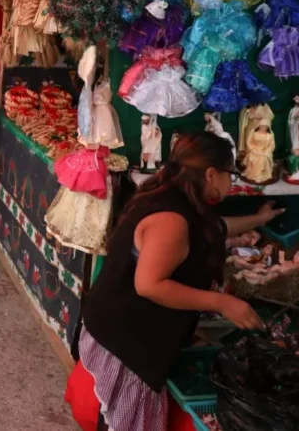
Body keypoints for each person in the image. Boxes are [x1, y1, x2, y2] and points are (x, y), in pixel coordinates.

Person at [66, 132, 282, 431]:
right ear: (211, 173)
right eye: (230, 175)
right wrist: (221, 302)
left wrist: (258, 220)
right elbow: (150, 285)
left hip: (116, 323)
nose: (231, 184)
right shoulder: (171, 217)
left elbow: (215, 227)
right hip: (128, 338)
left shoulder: (172, 197)